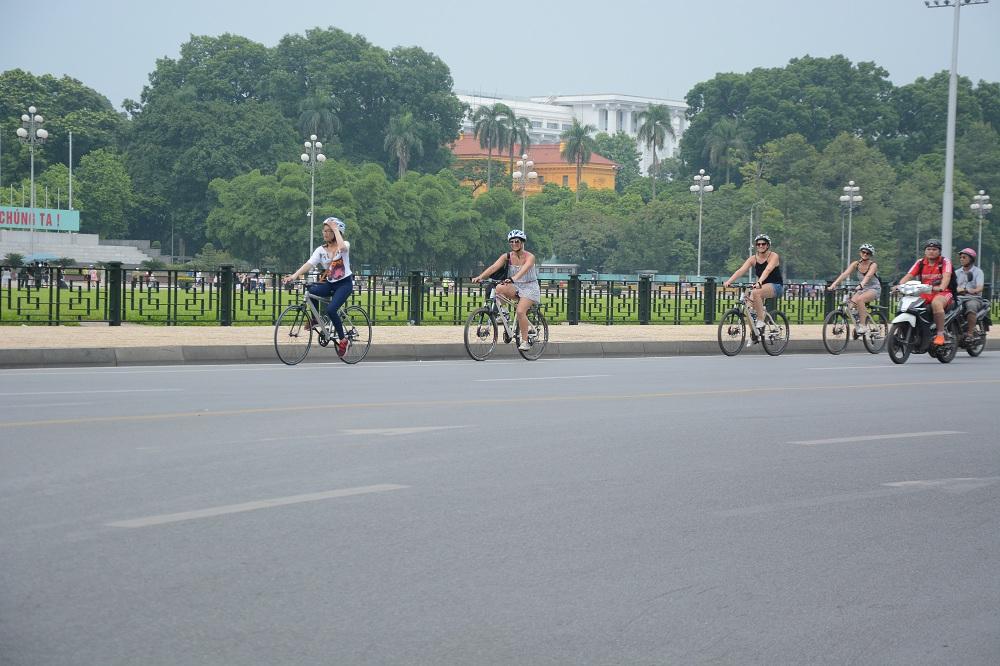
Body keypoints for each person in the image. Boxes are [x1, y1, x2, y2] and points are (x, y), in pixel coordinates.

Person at [284, 216, 354, 357]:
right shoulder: (320, 250)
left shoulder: (344, 245)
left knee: (331, 309)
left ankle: (343, 340)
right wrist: (294, 276)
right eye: (324, 231)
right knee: (311, 291)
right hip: (330, 283)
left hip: (344, 284)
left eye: (329, 231)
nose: (325, 233)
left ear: (337, 232)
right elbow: (309, 264)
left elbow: (342, 247)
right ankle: (316, 319)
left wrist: (335, 229)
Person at [471, 229, 541, 350]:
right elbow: (493, 267)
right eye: (511, 242)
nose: (514, 244)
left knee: (520, 312)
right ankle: (504, 313)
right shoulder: (507, 256)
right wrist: (480, 277)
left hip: (530, 287)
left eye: (517, 241)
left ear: (522, 242)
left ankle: (525, 341)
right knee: (499, 288)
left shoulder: (530, 257)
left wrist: (513, 278)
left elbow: (524, 270)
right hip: (515, 286)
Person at [723, 233, 783, 341]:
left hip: (776, 286)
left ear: (768, 245)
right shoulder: (753, 259)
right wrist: (729, 281)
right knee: (748, 309)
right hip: (761, 286)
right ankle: (755, 334)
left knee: (756, 292)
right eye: (758, 244)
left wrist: (759, 282)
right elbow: (741, 270)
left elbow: (768, 270)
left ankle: (760, 320)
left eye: (763, 244)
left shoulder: (773, 256)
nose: (761, 246)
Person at [894, 238, 953, 346]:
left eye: (934, 249)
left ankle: (940, 333)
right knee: (910, 305)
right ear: (925, 251)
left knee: (936, 303)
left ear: (939, 251)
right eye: (928, 249)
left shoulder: (944, 262)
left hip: (943, 292)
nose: (931, 251)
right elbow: (909, 276)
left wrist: (941, 287)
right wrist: (899, 286)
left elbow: (947, 276)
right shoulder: (920, 262)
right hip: (925, 292)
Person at [827, 243, 881, 334]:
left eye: (867, 253)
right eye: (863, 252)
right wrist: (833, 285)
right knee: (849, 308)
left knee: (860, 300)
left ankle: (863, 326)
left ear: (870, 255)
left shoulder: (873, 265)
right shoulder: (856, 264)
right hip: (862, 289)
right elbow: (845, 274)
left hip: (874, 289)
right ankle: (859, 320)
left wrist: (861, 284)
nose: (865, 254)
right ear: (860, 252)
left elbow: (868, 276)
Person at [955, 247, 985, 344]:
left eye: (964, 257)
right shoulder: (957, 272)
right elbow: (952, 285)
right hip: (959, 298)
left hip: (973, 298)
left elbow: (979, 288)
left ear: (971, 259)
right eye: (960, 257)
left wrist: (968, 290)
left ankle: (970, 333)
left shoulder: (978, 272)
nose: (961, 259)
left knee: (971, 307)